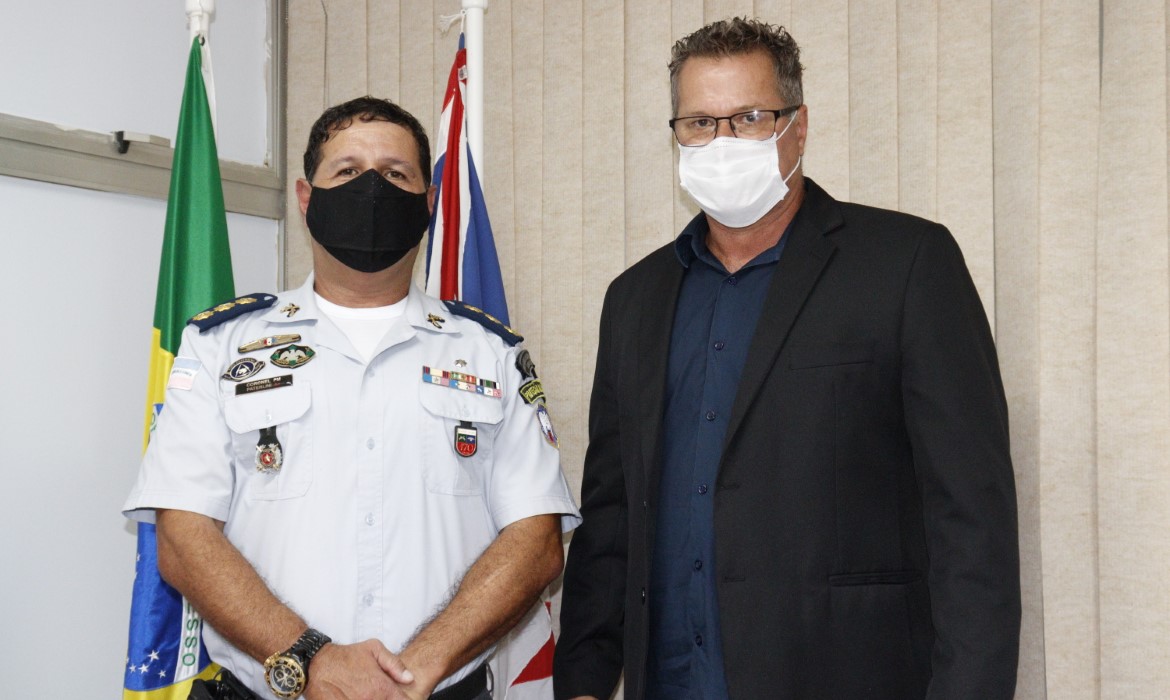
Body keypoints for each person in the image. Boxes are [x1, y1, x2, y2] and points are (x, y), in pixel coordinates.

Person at [554, 17, 1020, 700]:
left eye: (749, 118)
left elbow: (971, 520)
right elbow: (612, 517)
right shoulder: (634, 298)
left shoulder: (907, 265)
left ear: (798, 128)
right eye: (700, 123)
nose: (722, 142)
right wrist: (585, 682)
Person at [124, 96, 581, 700]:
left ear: (428, 202)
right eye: (347, 171)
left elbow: (535, 541)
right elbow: (184, 539)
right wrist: (311, 659)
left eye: (395, 174)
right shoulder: (219, 347)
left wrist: (416, 670)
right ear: (305, 197)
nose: (372, 189)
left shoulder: (490, 352)